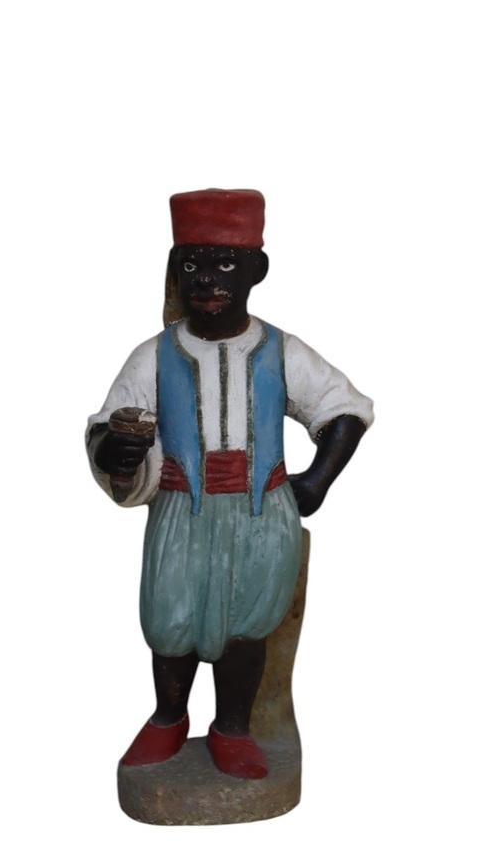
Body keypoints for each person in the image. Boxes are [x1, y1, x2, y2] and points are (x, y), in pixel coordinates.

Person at [86, 189, 371, 780]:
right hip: (180, 511)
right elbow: (106, 425)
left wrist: (317, 481)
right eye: (191, 264)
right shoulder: (154, 354)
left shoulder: (280, 350)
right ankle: (167, 719)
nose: (207, 279)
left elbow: (344, 408)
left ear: (256, 270)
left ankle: (232, 728)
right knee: (170, 620)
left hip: (259, 512)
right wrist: (119, 447)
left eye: (224, 264)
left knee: (246, 625)